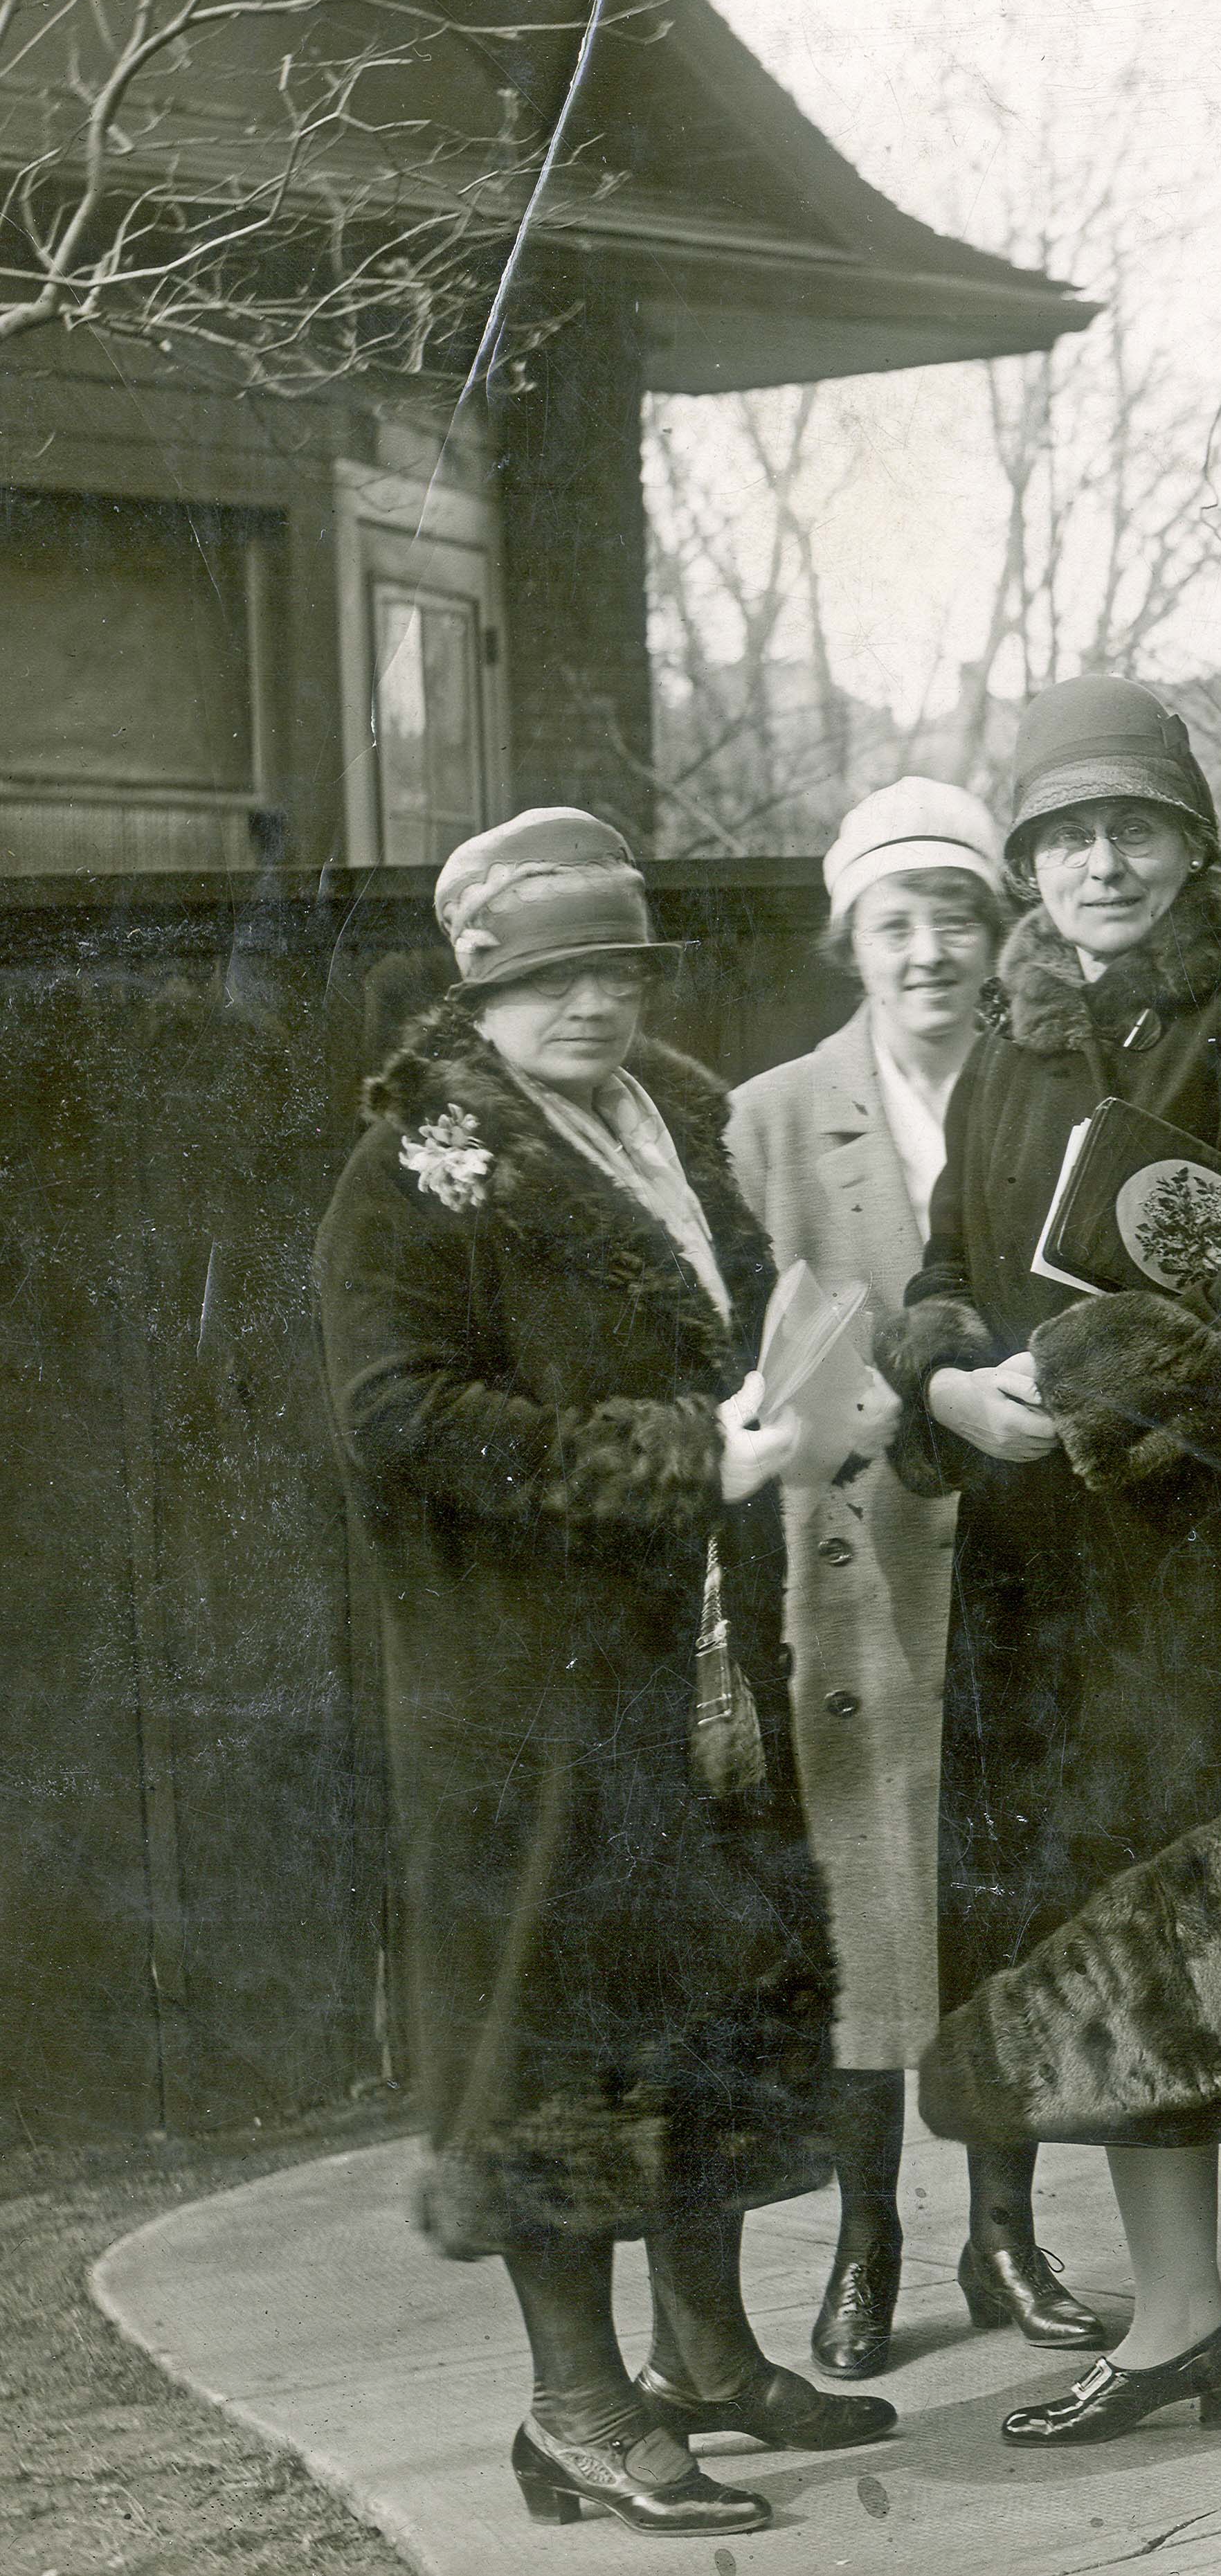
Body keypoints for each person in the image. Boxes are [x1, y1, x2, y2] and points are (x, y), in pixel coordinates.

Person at [321, 809, 895, 2540]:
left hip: (695, 1667)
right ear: (480, 990)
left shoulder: (671, 1121)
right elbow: (396, 1424)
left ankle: (705, 2362)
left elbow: (740, 1336)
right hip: (527, 1695)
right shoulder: (420, 1164)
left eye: (616, 970)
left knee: (707, 2009)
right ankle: (577, 2407)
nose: (589, 1003)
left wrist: (808, 1414)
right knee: (559, 2038)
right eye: (547, 975)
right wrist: (673, 1456)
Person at [873, 678, 1221, 2485]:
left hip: (1203, 1564)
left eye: (1135, 830)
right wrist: (944, 1381)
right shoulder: (1011, 1046)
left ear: (1190, 848)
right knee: (1105, 1959)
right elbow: (942, 1260)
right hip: (1042, 1587)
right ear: (1027, 862)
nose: (1101, 863)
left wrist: (1078, 1395)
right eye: (1066, 835)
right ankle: (1172, 2326)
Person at [727, 780, 1103, 2379]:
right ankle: (869, 2240)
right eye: (897, 922)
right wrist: (909, 1402)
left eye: (956, 913)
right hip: (858, 1554)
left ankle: (1004, 2231)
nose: (932, 948)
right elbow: (756, 1349)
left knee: (1009, 1897)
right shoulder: (774, 1116)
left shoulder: (1055, 1084)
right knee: (868, 1900)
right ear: (850, 942)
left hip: (1036, 1549)